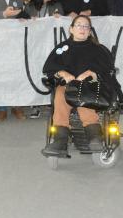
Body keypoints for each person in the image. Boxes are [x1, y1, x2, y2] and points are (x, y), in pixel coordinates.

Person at [41, 15, 117, 156]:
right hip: (68, 86)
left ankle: (94, 136)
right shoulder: (62, 48)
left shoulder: (98, 49)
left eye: (86, 26)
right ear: (71, 29)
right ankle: (60, 141)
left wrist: (92, 73)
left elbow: (108, 69)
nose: (82, 28)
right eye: (79, 25)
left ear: (89, 31)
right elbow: (50, 69)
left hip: (91, 87)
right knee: (59, 94)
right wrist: (62, 73)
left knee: (83, 96)